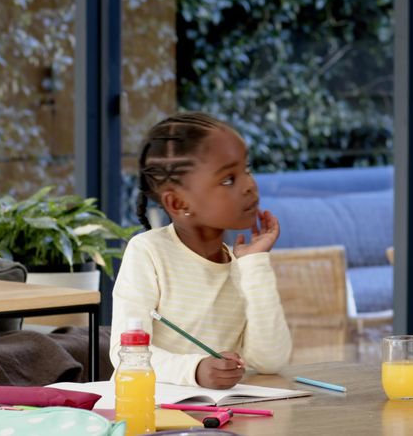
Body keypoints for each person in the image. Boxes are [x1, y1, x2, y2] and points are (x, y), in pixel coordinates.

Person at [110, 112, 292, 388]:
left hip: (219, 415)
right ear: (179, 203)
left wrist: (255, 263)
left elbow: (270, 361)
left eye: (247, 169)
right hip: (145, 410)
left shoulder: (243, 266)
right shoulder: (147, 252)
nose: (249, 185)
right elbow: (126, 354)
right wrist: (194, 370)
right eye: (228, 179)